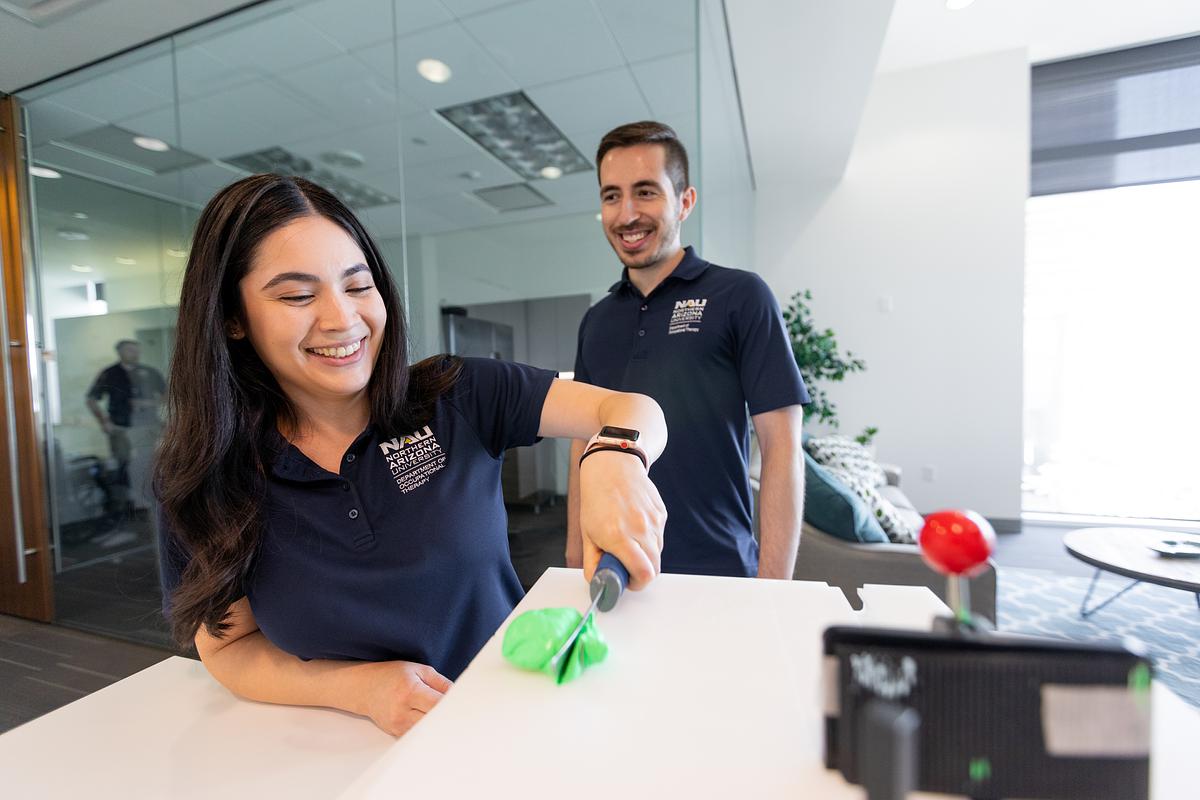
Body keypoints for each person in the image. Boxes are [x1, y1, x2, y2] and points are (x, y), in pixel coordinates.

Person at [155, 174, 667, 738]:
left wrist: (613, 458)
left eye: (357, 285)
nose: (341, 319)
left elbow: (631, 407)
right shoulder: (210, 477)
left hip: (520, 725)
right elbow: (227, 648)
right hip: (346, 760)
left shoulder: (457, 395)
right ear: (231, 319)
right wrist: (359, 688)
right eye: (298, 295)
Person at [566, 121, 809, 580]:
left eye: (645, 192)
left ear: (685, 201)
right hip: (615, 571)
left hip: (721, 570)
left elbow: (782, 447)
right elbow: (583, 442)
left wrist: (774, 590)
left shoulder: (741, 296)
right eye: (611, 195)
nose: (626, 214)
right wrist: (574, 561)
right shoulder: (597, 321)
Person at [86, 339, 166, 522]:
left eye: (136, 350)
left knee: (148, 463)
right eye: (130, 350)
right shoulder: (109, 374)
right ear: (120, 352)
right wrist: (103, 421)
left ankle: (151, 502)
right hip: (121, 427)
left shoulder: (149, 372)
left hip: (146, 426)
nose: (134, 354)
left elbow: (167, 395)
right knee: (123, 464)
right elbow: (91, 399)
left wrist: (149, 403)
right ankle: (127, 508)